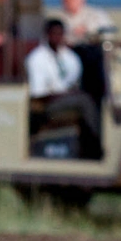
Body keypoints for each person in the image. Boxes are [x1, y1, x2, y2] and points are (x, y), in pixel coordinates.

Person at [26, 19, 100, 156]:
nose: (57, 37)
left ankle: (89, 146)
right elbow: (39, 95)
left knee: (90, 98)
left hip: (69, 98)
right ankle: (98, 144)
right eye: (53, 34)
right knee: (85, 101)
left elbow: (74, 80)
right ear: (46, 35)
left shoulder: (69, 57)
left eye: (60, 34)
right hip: (46, 105)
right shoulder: (37, 58)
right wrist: (66, 95)